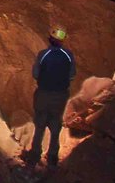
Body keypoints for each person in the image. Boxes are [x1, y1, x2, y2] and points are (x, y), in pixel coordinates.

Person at [23, 26, 76, 169]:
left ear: (50, 39)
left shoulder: (43, 54)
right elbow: (72, 74)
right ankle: (52, 156)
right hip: (60, 95)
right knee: (55, 123)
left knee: (40, 123)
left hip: (44, 93)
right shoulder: (68, 55)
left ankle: (34, 155)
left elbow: (35, 74)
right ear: (63, 41)